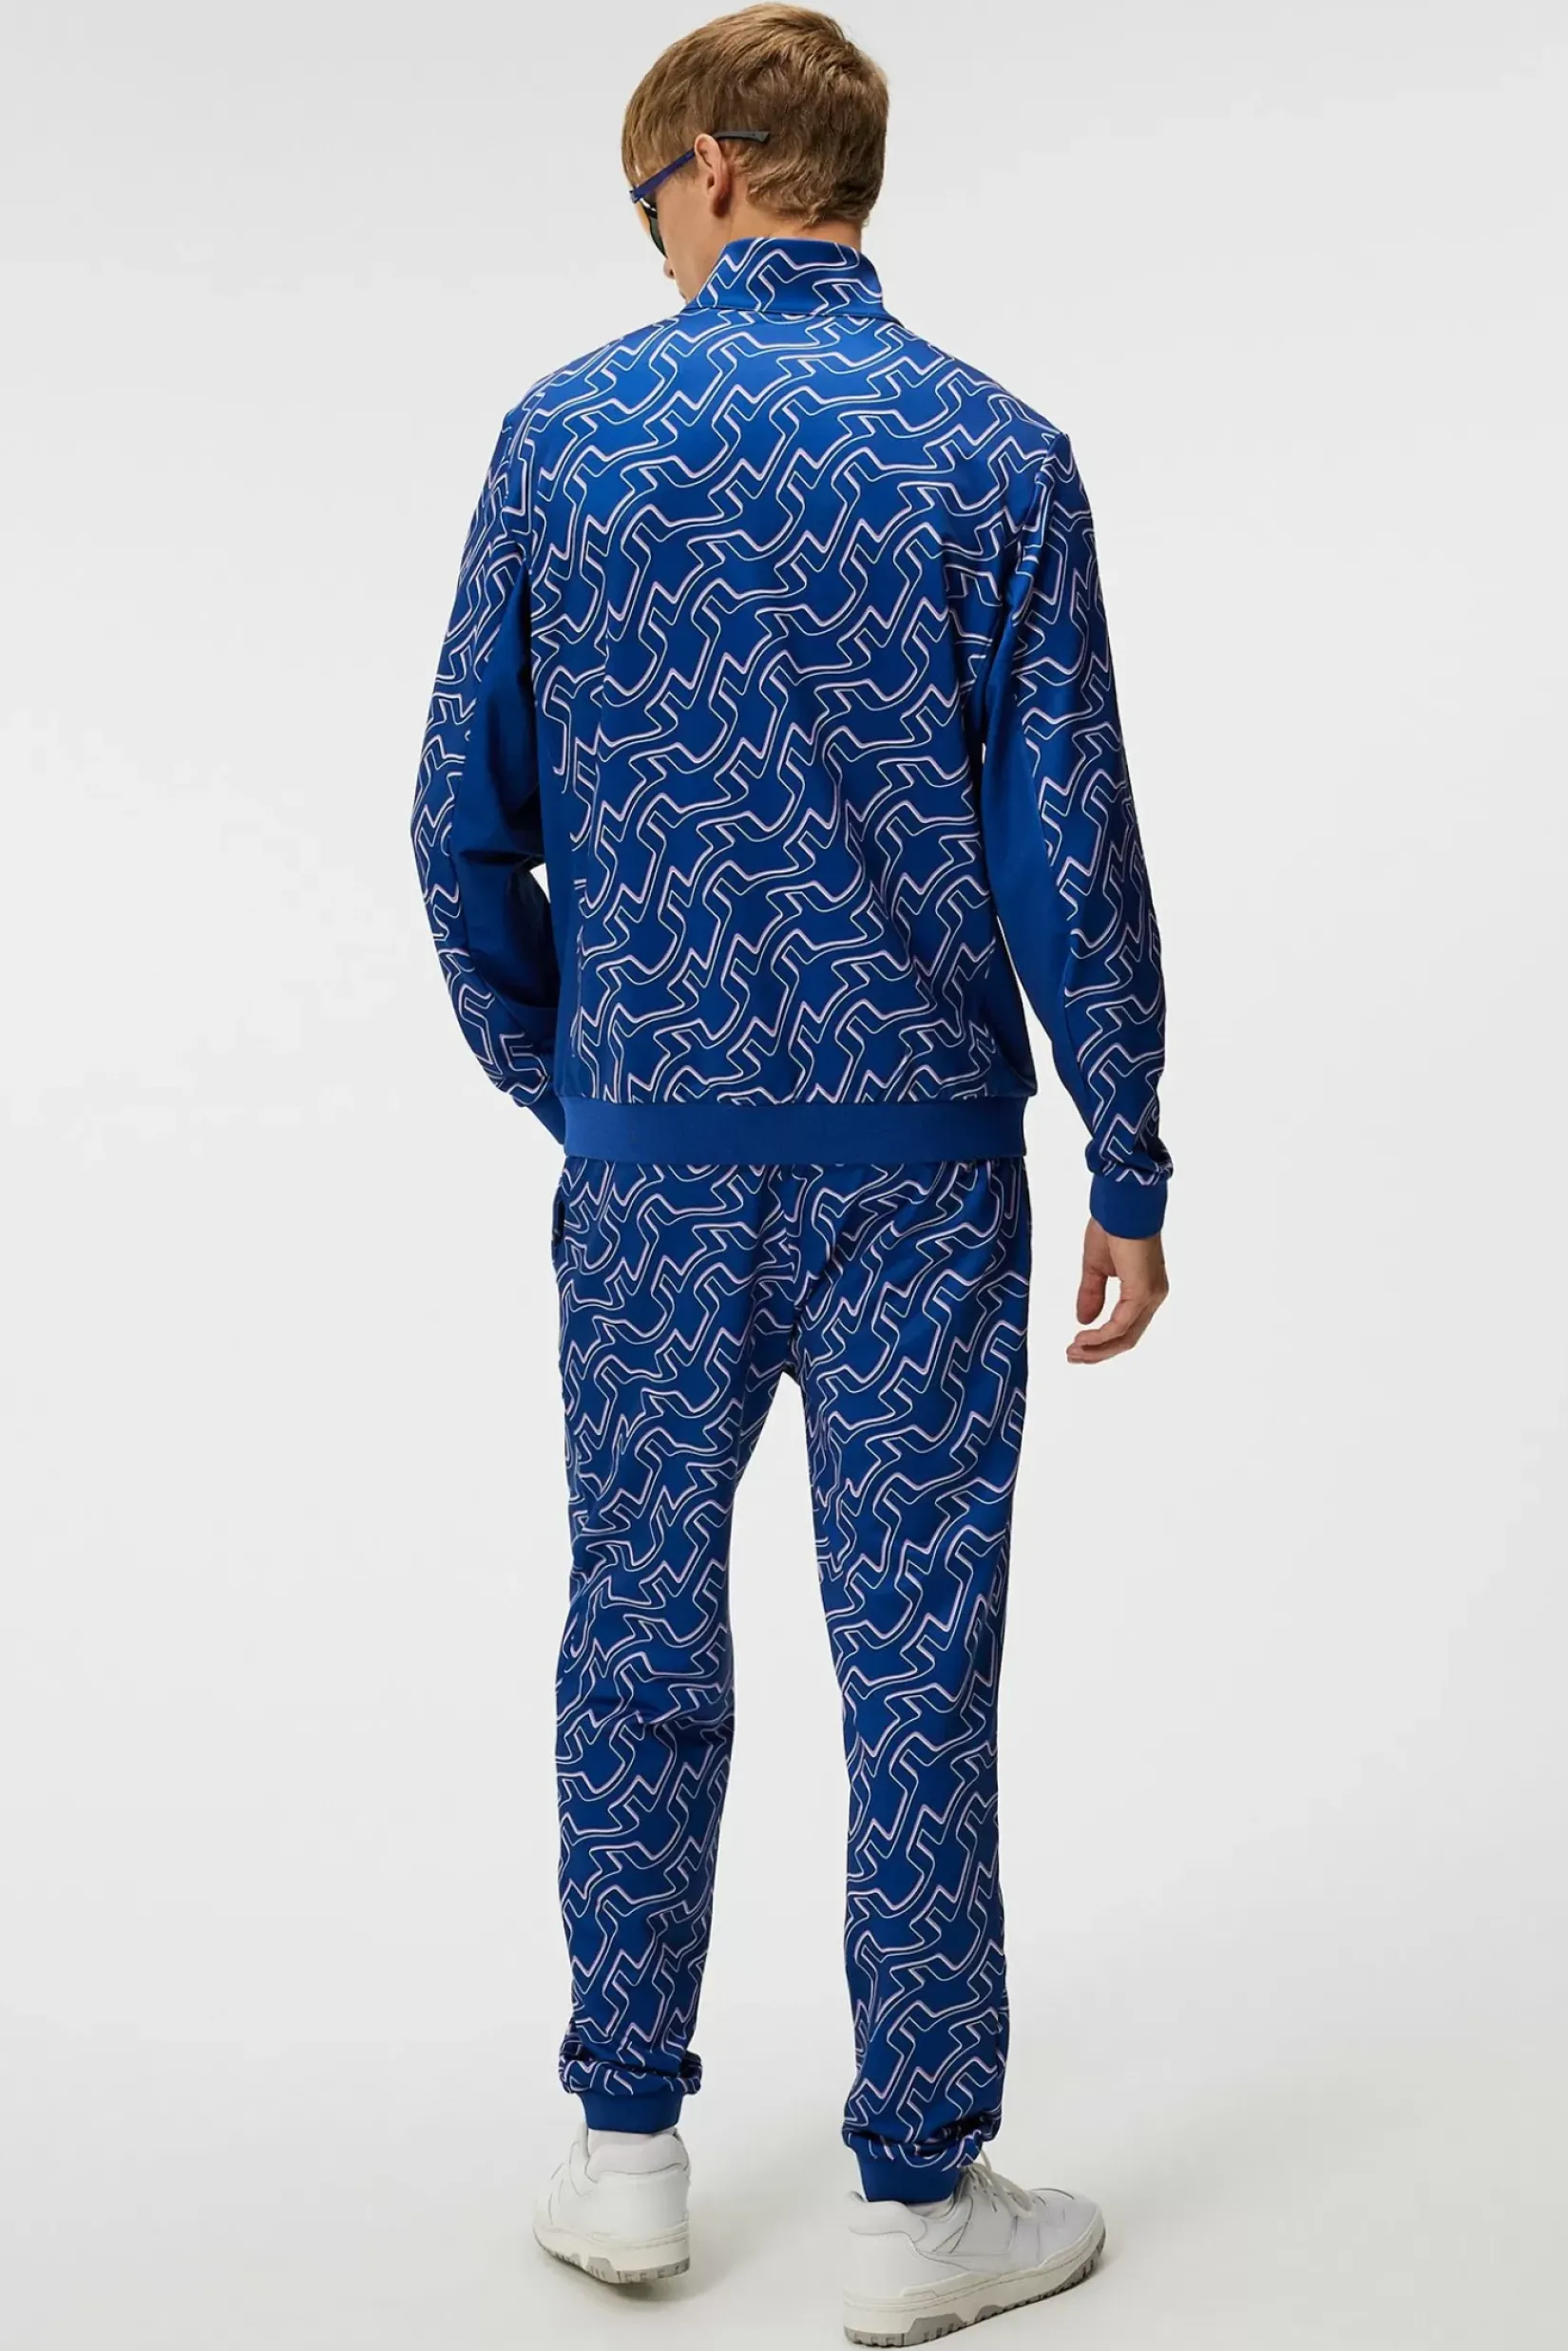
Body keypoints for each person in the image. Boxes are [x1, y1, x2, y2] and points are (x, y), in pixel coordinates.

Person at [411, 8, 1171, 2340]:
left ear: (721, 169)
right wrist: (1129, 1142)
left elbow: (460, 823)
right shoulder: (996, 453)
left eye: (645, 198)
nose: (645, 240)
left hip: (652, 1173)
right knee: (916, 1657)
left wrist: (577, 1079)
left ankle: (627, 2154)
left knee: (636, 1630)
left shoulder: (564, 441)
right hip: (922, 1167)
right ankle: (915, 2203)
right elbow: (1070, 847)